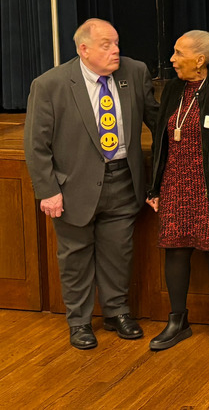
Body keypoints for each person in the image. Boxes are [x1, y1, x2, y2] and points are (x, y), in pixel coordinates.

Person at [24, 18, 157, 349]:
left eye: (116, 43)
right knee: (75, 255)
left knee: (119, 251)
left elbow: (159, 122)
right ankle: (80, 322)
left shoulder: (134, 72)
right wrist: (48, 191)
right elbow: (36, 145)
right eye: (106, 45)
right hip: (73, 187)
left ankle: (116, 312)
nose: (116, 50)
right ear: (83, 50)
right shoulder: (50, 85)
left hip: (124, 180)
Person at [146, 30, 209, 351]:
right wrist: (155, 186)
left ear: (200, 59)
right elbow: (162, 139)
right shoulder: (173, 89)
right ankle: (177, 320)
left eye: (179, 53)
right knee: (175, 248)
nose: (172, 60)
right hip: (175, 182)